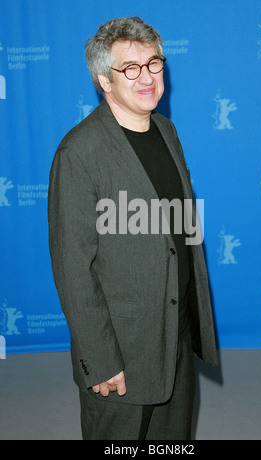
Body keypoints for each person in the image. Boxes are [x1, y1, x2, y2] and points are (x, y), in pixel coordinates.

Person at [48, 16, 218, 441]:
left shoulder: (166, 129)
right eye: (131, 68)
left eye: (154, 63)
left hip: (174, 335)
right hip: (121, 351)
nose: (147, 78)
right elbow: (73, 269)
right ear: (105, 80)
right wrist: (100, 359)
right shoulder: (79, 152)